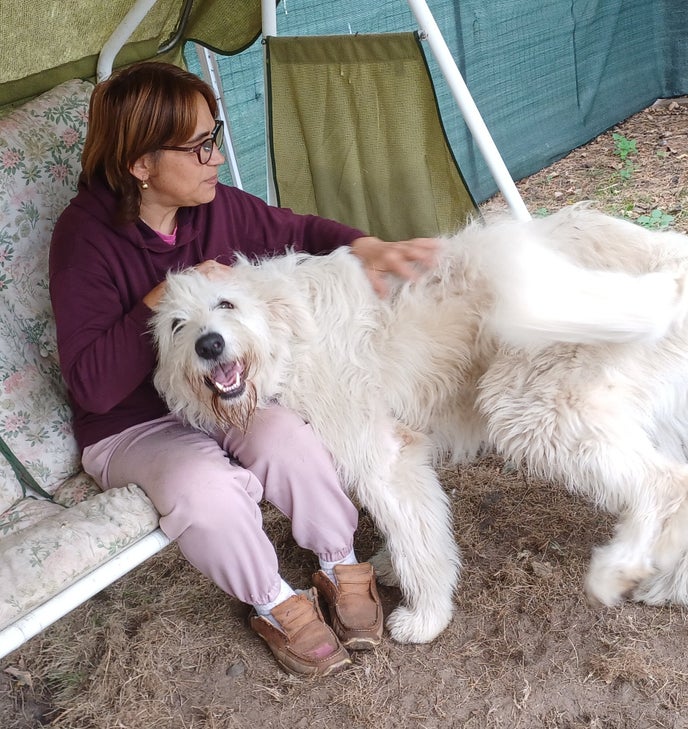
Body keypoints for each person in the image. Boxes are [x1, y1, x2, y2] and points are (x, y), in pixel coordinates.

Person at [49, 61, 440, 677]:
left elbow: (302, 229)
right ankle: (274, 601)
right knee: (207, 493)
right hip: (134, 425)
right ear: (141, 166)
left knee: (289, 439)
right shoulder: (84, 239)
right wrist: (165, 295)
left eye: (215, 135)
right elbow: (92, 386)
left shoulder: (213, 207)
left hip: (219, 400)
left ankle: (339, 559)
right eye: (200, 146)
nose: (217, 159)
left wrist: (364, 246)